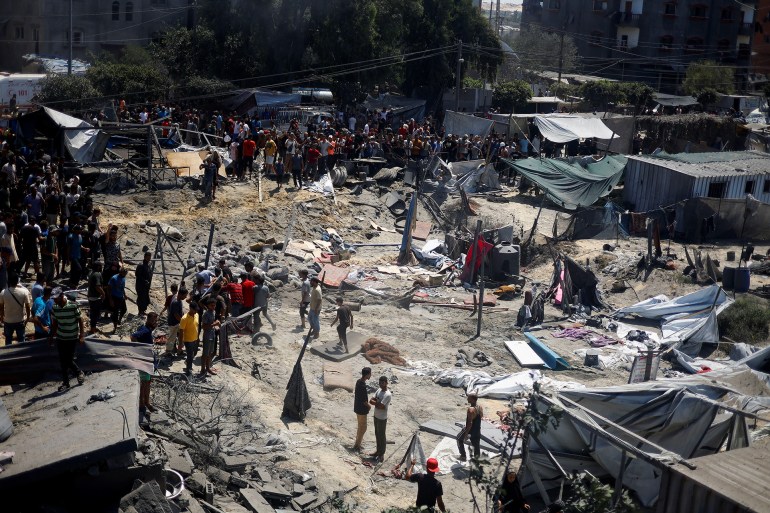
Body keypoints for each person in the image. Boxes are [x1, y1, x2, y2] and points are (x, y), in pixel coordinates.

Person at [49, 288, 86, 392]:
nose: (54, 300)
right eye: (53, 299)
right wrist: (51, 337)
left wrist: (81, 335)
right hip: (61, 337)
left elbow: (80, 320)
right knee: (62, 361)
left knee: (68, 359)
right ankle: (66, 383)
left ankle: (78, 372)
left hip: (72, 337)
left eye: (56, 298)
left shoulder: (73, 305)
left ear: (62, 296)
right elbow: (55, 323)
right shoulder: (55, 307)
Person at [131, 312, 159, 412]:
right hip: (145, 362)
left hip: (148, 361)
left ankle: (146, 403)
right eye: (154, 321)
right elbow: (133, 337)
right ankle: (142, 404)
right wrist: (140, 350)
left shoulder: (146, 328)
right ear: (149, 320)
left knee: (147, 382)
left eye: (156, 320)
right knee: (144, 384)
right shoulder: (145, 330)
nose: (155, 322)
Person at [0, 273, 32, 345]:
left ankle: (8, 351)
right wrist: (27, 318)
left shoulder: (3, 292)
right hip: (20, 320)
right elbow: (27, 306)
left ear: (9, 281)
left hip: (8, 321)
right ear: (17, 281)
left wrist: (2, 318)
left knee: (8, 340)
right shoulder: (24, 292)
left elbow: (1, 308)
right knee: (21, 340)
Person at [369, 375, 392, 462]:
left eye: (382, 383)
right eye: (380, 383)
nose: (381, 384)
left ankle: (381, 454)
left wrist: (376, 402)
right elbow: (371, 401)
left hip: (382, 418)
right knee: (377, 434)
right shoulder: (379, 390)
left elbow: (381, 406)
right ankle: (378, 451)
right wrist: (377, 403)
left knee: (381, 436)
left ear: (386, 383)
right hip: (376, 416)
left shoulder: (387, 394)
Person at [457, 391, 483, 462]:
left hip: (470, 430)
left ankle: (463, 456)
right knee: (476, 445)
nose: (467, 399)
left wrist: (466, 434)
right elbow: (481, 416)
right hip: (477, 429)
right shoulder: (480, 407)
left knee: (459, 439)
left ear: (473, 399)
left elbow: (470, 423)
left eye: (469, 398)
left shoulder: (470, 409)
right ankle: (477, 459)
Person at [353, 367, 372, 451]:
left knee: (360, 427)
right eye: (370, 374)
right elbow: (364, 401)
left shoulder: (358, 382)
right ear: (367, 375)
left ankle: (357, 443)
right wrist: (369, 406)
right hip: (362, 410)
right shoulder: (363, 386)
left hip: (357, 408)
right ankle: (357, 445)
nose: (370, 375)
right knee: (363, 428)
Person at [164, 287, 187, 357]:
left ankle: (179, 349)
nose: (185, 297)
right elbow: (176, 314)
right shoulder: (175, 302)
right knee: (172, 337)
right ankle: (168, 351)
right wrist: (182, 321)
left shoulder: (179, 300)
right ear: (180, 294)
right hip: (173, 323)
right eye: (185, 295)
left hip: (177, 322)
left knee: (182, 336)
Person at [200, 298, 220, 377]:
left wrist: (217, 323)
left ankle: (208, 368)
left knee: (210, 353)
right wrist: (214, 324)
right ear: (208, 306)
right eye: (212, 305)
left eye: (214, 305)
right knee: (205, 353)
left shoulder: (213, 312)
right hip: (207, 335)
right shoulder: (206, 314)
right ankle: (202, 369)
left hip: (212, 334)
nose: (213, 307)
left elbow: (213, 322)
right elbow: (204, 326)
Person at [180, 301, 200, 376]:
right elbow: (181, 331)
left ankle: (187, 362)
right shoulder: (184, 318)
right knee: (190, 355)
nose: (196, 311)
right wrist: (180, 343)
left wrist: (198, 337)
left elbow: (197, 326)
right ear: (191, 308)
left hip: (195, 339)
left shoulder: (197, 315)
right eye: (195, 310)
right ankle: (189, 371)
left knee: (194, 353)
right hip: (188, 340)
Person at [86, 261, 105, 334]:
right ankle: (93, 329)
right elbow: (97, 286)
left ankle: (93, 327)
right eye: (101, 266)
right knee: (95, 314)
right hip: (95, 298)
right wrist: (103, 293)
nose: (102, 267)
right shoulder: (97, 274)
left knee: (93, 313)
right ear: (98, 267)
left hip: (91, 296)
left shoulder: (91, 273)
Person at [135, 251, 153, 316]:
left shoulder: (148, 264)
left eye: (150, 257)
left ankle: (143, 310)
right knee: (141, 298)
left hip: (146, 286)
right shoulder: (141, 265)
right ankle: (140, 311)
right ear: (145, 257)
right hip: (140, 285)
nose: (149, 258)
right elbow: (137, 275)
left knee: (145, 298)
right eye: (148, 257)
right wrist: (144, 281)